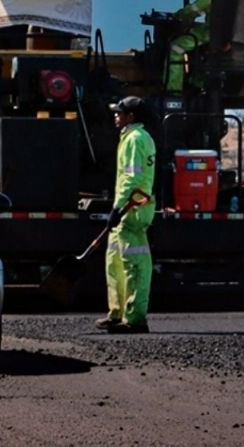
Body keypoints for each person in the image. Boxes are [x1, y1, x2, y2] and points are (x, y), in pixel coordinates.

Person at [95, 96, 157, 334]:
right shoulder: (132, 138)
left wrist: (118, 208)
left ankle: (135, 319)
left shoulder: (135, 139)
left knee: (134, 266)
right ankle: (117, 313)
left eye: (120, 113)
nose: (115, 116)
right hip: (126, 209)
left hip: (133, 210)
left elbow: (133, 179)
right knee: (115, 263)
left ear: (131, 117)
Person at [166, 0, 211, 93]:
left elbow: (194, 9)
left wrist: (178, 15)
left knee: (176, 47)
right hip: (227, 36)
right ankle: (196, 83)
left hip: (211, 35)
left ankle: (173, 90)